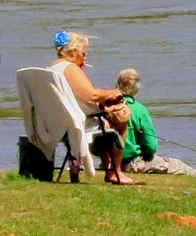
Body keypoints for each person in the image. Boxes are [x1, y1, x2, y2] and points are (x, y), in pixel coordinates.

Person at [49, 31, 134, 184]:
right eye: (84, 53)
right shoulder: (70, 68)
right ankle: (115, 171)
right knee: (121, 118)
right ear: (74, 52)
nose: (85, 57)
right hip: (79, 125)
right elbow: (92, 95)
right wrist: (116, 92)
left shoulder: (53, 67)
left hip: (58, 123)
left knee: (108, 116)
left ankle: (108, 169)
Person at [117, 69, 196, 179]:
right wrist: (147, 155)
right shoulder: (139, 110)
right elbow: (151, 145)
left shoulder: (108, 106)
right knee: (178, 166)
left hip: (110, 162)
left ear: (118, 85)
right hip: (133, 163)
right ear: (137, 88)